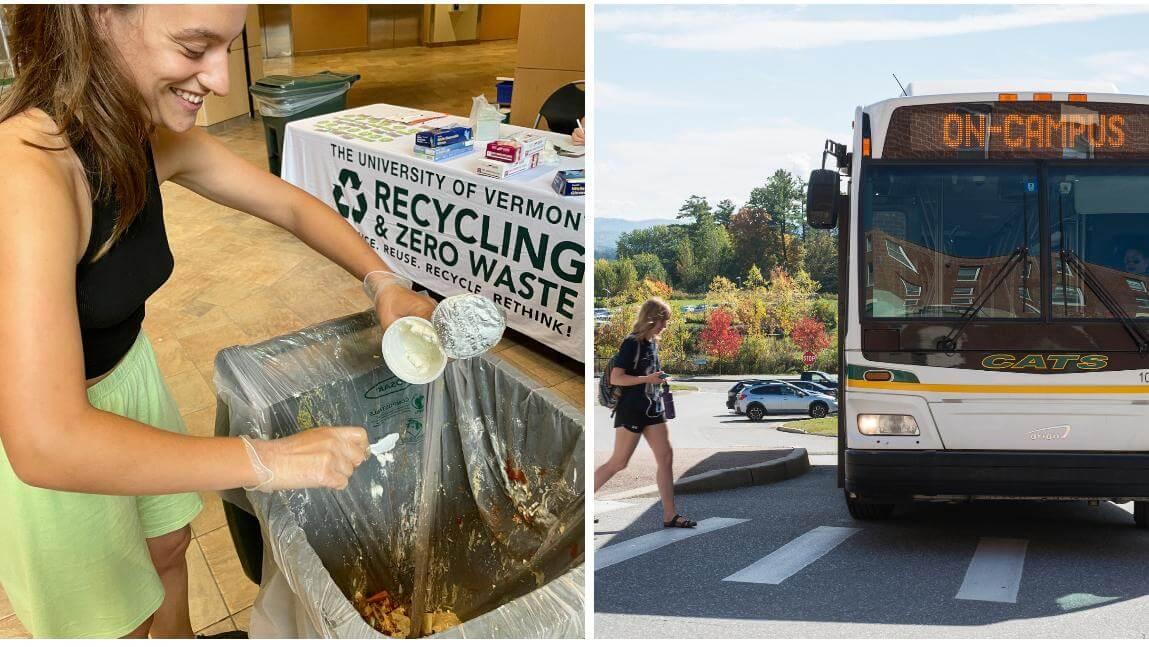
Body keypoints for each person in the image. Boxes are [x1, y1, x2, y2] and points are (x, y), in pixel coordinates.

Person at [0, 5, 436, 639]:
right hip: (52, 429)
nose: (222, 81)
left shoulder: (140, 132)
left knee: (168, 549)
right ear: (97, 17)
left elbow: (288, 205)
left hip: (129, 375)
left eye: (227, 48)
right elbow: (47, 442)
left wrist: (385, 282)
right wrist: (265, 460)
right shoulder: (27, 173)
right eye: (194, 46)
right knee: (109, 617)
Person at [594, 298, 697, 529]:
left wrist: (657, 379)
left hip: (652, 408)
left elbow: (648, 375)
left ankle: (670, 515)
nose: (665, 326)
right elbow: (616, 377)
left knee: (666, 457)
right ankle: (579, 504)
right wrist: (647, 379)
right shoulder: (632, 343)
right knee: (618, 463)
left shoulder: (652, 343)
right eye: (663, 321)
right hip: (631, 410)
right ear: (652, 318)